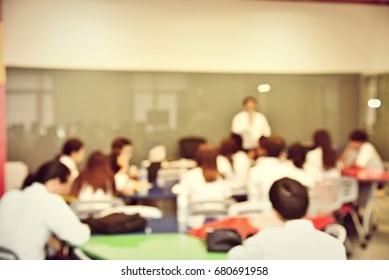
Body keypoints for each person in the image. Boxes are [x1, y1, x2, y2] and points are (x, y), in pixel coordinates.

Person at [228, 177, 346, 260]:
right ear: (308, 205)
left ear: (274, 210)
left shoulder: (264, 241)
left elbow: (233, 260)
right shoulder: (335, 246)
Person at [0, 160, 91, 260]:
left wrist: (48, 238)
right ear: (56, 182)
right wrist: (88, 228)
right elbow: (78, 237)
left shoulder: (10, 195)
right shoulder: (50, 200)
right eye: (68, 185)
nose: (68, 190)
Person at [247, 135, 314, 202]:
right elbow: (309, 184)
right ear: (282, 151)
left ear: (264, 150)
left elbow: (253, 201)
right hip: (285, 210)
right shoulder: (290, 169)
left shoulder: (254, 172)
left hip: (264, 210)